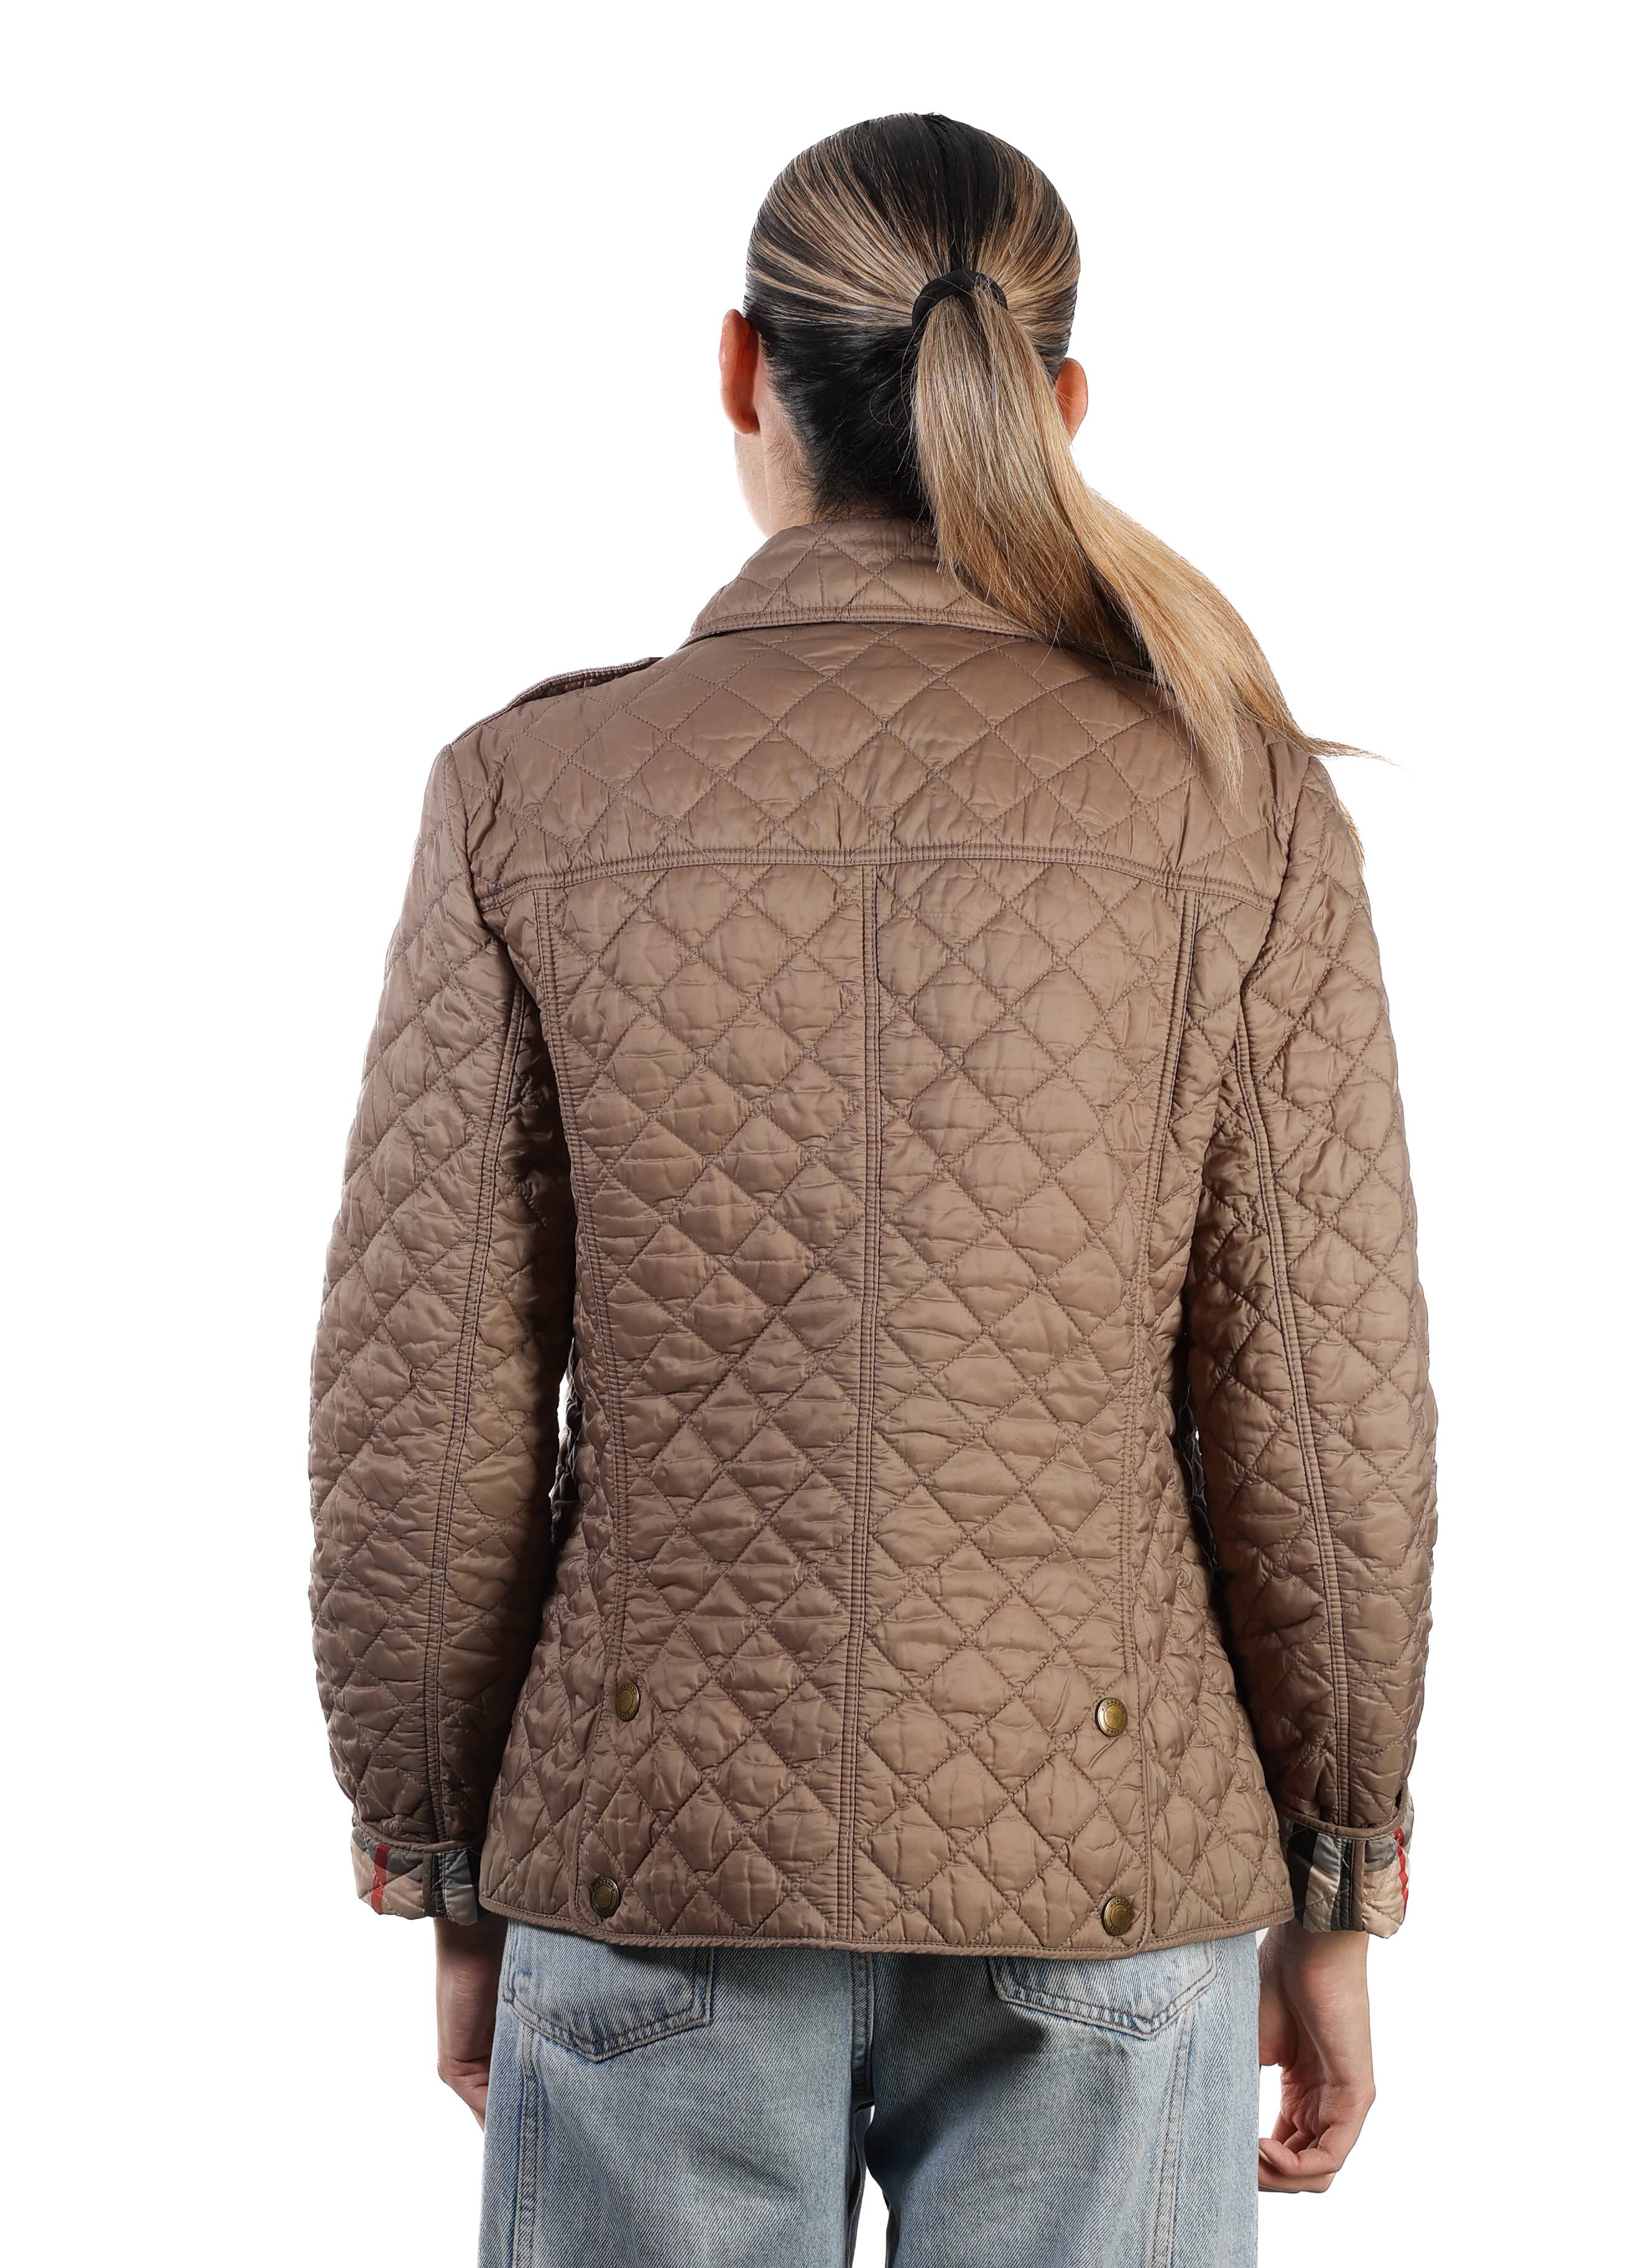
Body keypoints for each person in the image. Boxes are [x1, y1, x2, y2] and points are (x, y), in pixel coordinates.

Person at [309, 112, 1436, 2268]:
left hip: (648, 1856)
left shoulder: (530, 792)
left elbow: (423, 1407)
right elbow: (1327, 1421)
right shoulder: (1236, 801)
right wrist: (1336, 1881)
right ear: (1061, 403)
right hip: (1116, 1855)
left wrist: (444, 1863)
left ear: (743, 371)